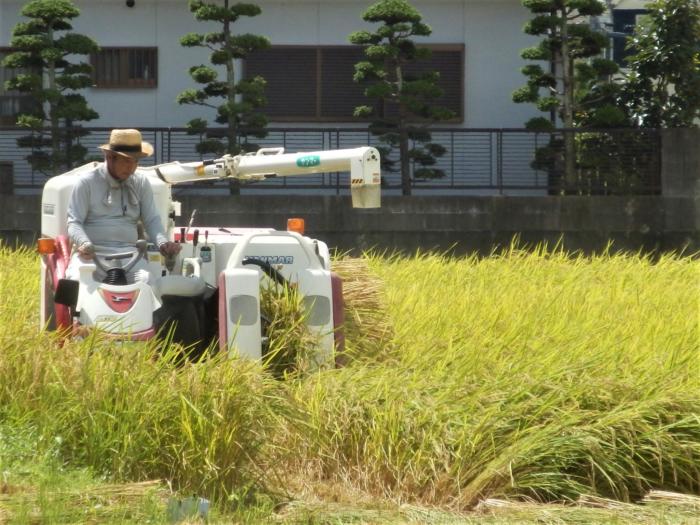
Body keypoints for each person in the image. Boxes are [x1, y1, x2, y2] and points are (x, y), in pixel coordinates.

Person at [66, 128, 181, 282]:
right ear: (109, 157)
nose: (132, 167)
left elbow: (151, 220)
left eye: (136, 161)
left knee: (147, 281)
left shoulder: (140, 183)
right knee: (77, 281)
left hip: (130, 256)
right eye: (126, 160)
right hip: (92, 255)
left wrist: (163, 243)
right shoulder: (86, 182)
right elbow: (74, 222)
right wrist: (84, 243)